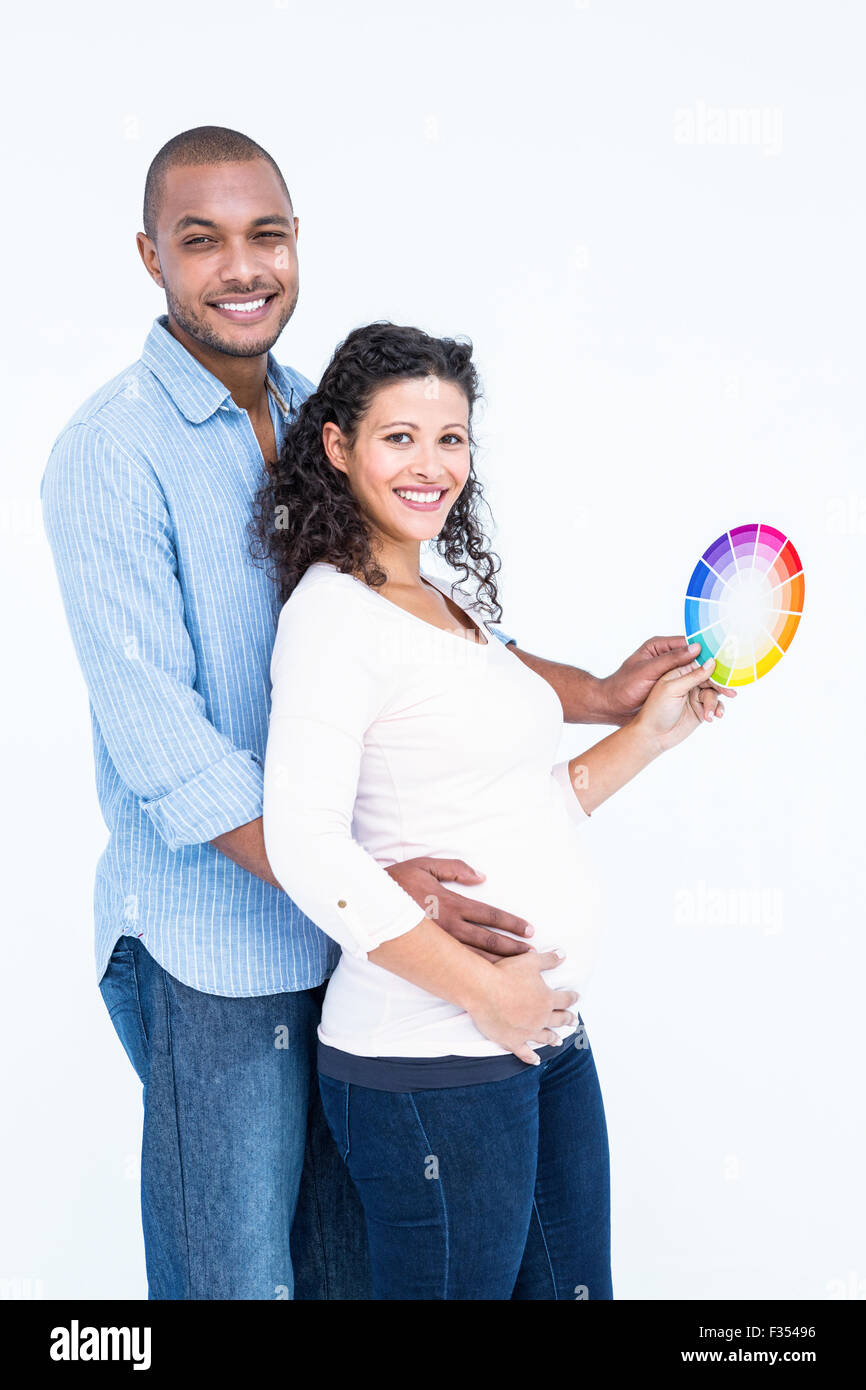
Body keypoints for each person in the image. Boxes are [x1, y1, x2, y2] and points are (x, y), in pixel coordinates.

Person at [40, 125, 733, 1301]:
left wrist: (601, 697)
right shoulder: (112, 455)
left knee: (351, 1275)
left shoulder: (325, 408)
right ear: (149, 254)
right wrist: (353, 875)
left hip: (359, 942)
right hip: (218, 949)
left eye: (265, 234)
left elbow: (430, 645)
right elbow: (169, 756)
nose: (241, 265)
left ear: (296, 242)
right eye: (201, 240)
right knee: (234, 1283)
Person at [258, 321, 724, 1300]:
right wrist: (481, 991)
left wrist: (649, 732)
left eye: (450, 437)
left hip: (539, 1037)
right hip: (430, 1060)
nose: (430, 464)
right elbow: (304, 841)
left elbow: (524, 810)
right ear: (338, 446)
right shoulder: (332, 618)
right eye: (399, 437)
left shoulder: (450, 601)